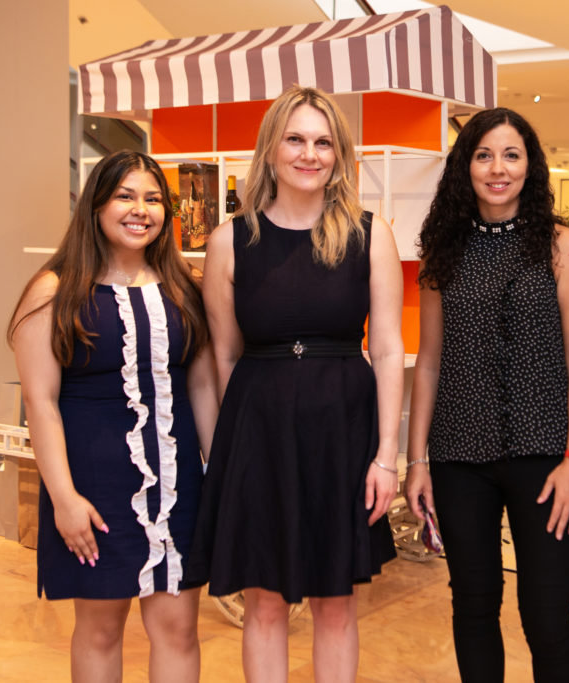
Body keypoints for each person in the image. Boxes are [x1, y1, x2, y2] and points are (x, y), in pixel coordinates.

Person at [185, 85, 404, 682]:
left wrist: (387, 457)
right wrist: (236, 455)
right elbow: (224, 356)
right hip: (259, 434)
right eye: (296, 139)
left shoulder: (369, 233)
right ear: (271, 149)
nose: (310, 154)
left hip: (344, 431)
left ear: (339, 154)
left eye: (323, 142)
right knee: (265, 600)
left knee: (337, 600)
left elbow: (386, 349)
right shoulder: (231, 240)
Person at [8, 149, 217, 682]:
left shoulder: (184, 287)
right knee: (100, 631)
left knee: (178, 629)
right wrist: (63, 498)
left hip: (178, 485)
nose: (139, 209)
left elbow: (200, 385)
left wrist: (218, 475)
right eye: (125, 195)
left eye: (152, 199)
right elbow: (41, 403)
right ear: (97, 205)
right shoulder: (54, 291)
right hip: (93, 489)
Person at [405, 107, 569, 682]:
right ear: (465, 166)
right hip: (460, 457)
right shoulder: (445, 249)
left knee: (546, 617)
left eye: (511, 155)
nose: (497, 168)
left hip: (545, 458)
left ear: (530, 166)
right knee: (473, 606)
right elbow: (430, 362)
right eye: (483, 155)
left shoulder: (563, 246)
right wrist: (417, 462)